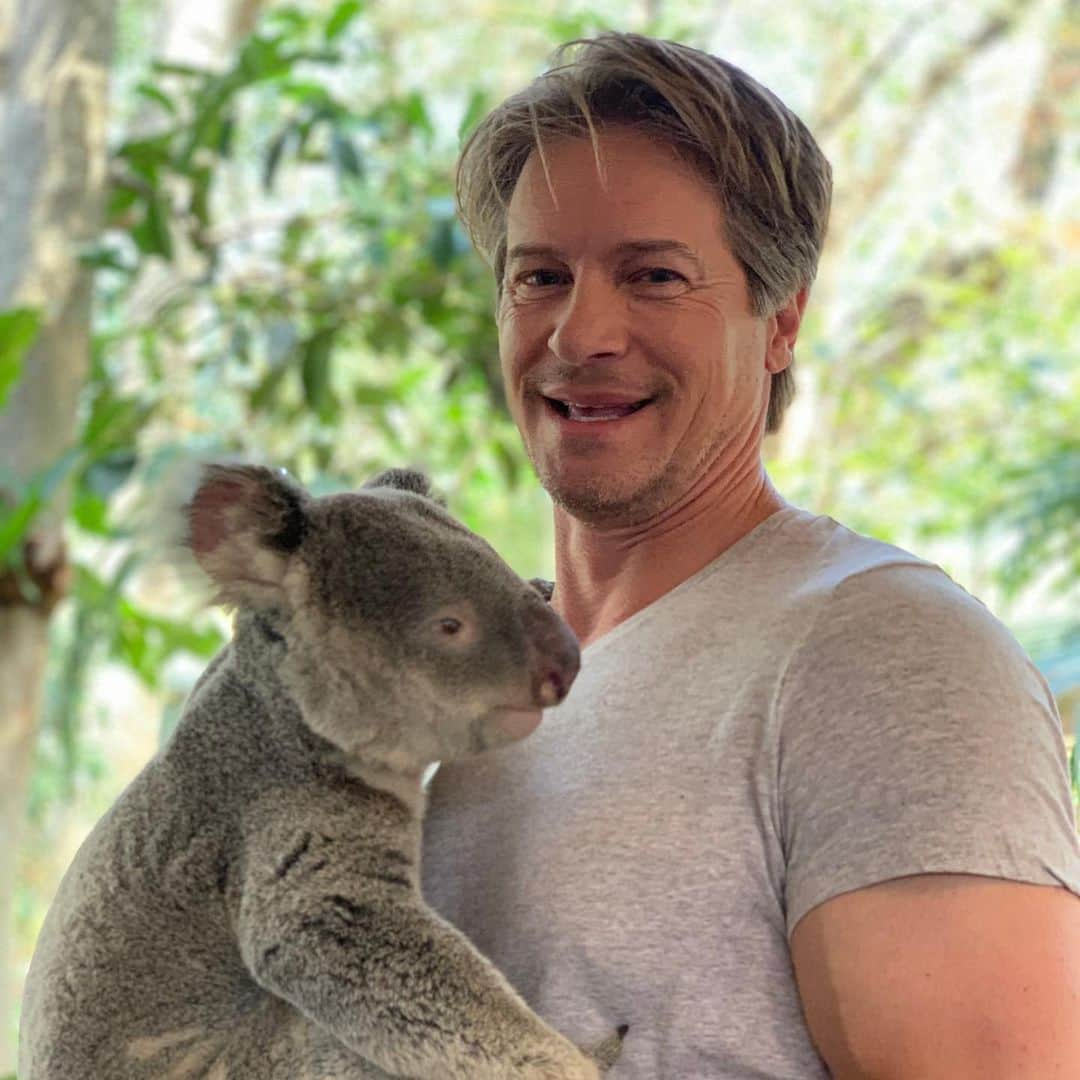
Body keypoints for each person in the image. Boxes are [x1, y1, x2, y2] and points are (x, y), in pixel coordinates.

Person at [421, 32, 1080, 1078]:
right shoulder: (430, 686)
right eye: (540, 274)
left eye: (654, 275)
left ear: (781, 322)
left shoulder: (884, 657)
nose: (581, 330)